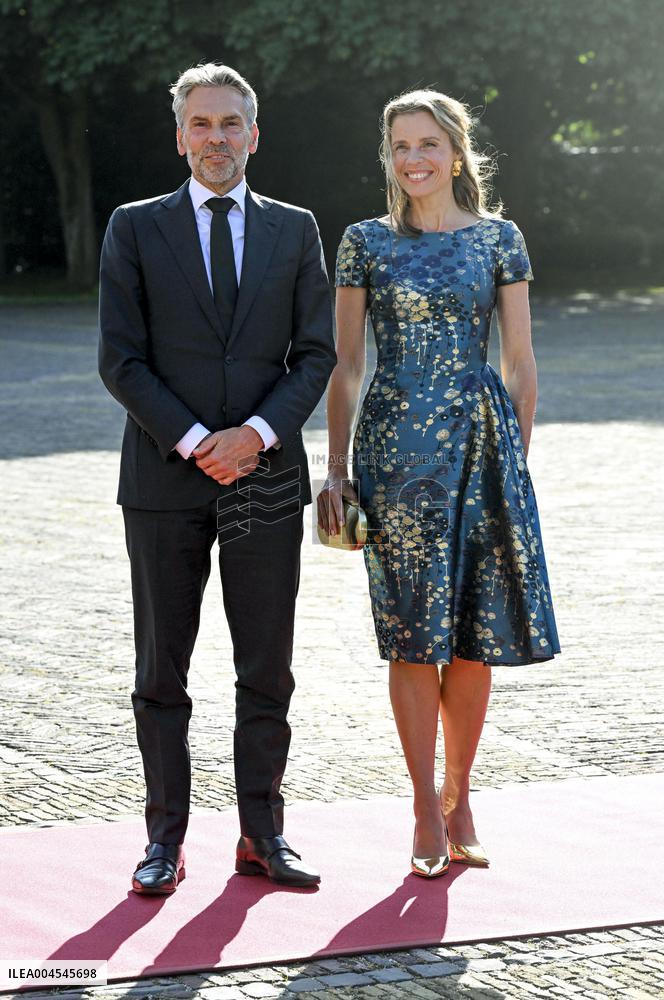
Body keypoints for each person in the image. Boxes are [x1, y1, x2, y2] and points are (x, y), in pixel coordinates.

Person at [99, 62, 336, 894]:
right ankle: (164, 841)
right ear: (180, 136)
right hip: (164, 481)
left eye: (231, 123)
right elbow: (120, 361)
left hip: (267, 478)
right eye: (201, 124)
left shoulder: (296, 228)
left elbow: (315, 354)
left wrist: (257, 436)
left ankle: (262, 835)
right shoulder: (134, 226)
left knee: (266, 666)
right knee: (162, 671)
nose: (216, 139)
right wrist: (202, 441)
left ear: (254, 135)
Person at [318, 89, 560, 878]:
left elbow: (519, 362)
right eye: (399, 146)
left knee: (473, 633)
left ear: (455, 152)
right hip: (395, 458)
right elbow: (347, 365)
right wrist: (337, 470)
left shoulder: (499, 238)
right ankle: (422, 802)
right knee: (411, 633)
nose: (413, 158)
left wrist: (515, 466)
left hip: (482, 451)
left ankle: (461, 795)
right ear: (387, 157)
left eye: (427, 143)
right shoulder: (363, 242)